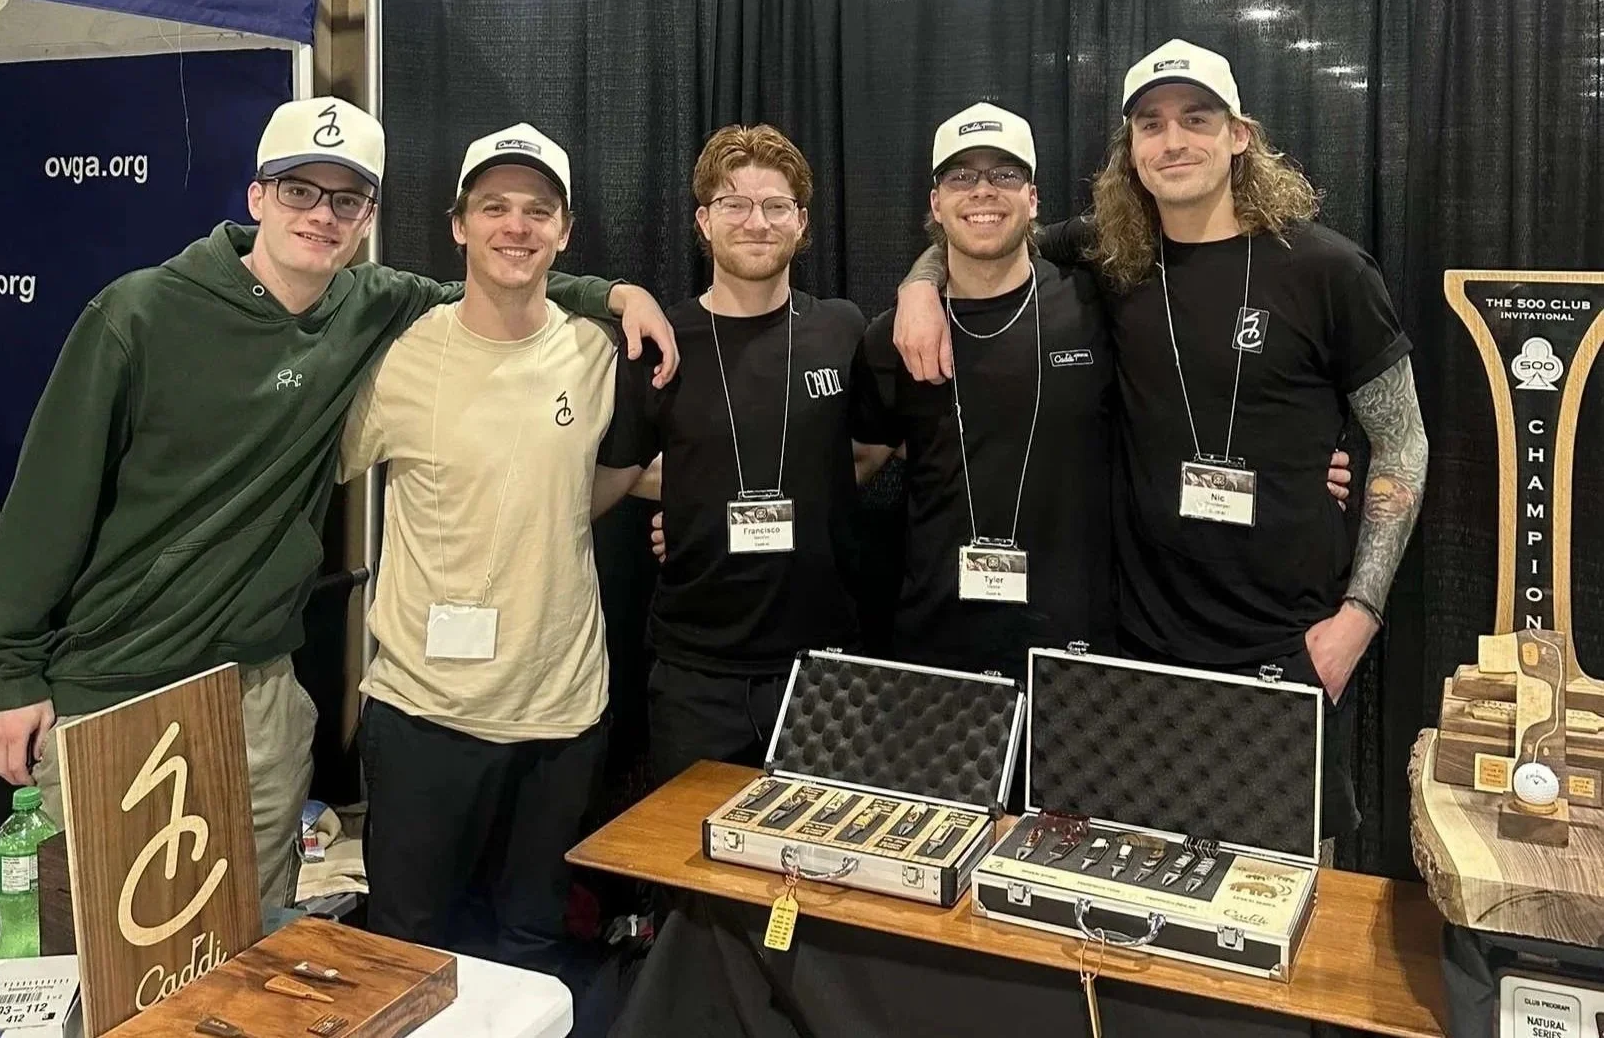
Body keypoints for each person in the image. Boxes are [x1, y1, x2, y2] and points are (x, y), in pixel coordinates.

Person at [0, 96, 677, 911]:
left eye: (346, 198)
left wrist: (614, 294)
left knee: (248, 940)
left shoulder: (371, 308)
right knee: (97, 952)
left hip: (259, 687)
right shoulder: (139, 314)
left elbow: (507, 275)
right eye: (299, 189)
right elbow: (46, 502)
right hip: (116, 682)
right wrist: (12, 670)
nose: (321, 214)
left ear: (369, 216)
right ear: (256, 195)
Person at [893, 40, 1427, 846]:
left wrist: (1359, 616)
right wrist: (918, 283)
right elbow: (990, 230)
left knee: (1275, 910)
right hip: (1135, 657)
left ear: (1240, 135)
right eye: (1151, 124)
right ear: (1131, 150)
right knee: (1145, 907)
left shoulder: (1326, 269)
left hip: (1284, 653)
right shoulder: (1115, 258)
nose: (1173, 140)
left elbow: (1404, 441)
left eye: (1196, 119)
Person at [338, 123, 652, 970]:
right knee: (405, 951)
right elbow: (311, 468)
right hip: (423, 709)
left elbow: (616, 473)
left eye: (537, 210)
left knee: (533, 945)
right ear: (458, 225)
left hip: (559, 710)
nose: (516, 226)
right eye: (495, 207)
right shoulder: (399, 355)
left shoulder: (596, 351)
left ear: (565, 230)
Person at [604, 123, 888, 785]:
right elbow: (612, 477)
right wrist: (695, 503)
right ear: (704, 220)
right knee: (693, 884)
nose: (755, 222)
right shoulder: (663, 342)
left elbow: (871, 450)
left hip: (826, 670)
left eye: (775, 206)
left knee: (824, 878)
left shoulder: (841, 328)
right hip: (696, 675)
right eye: (734, 204)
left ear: (802, 222)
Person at [855, 102, 1116, 675]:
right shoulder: (890, 338)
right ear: (936, 203)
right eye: (961, 176)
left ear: (1033, 197)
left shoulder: (1096, 304)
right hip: (939, 648)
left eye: (1004, 174)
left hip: (1080, 651)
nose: (983, 191)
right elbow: (853, 462)